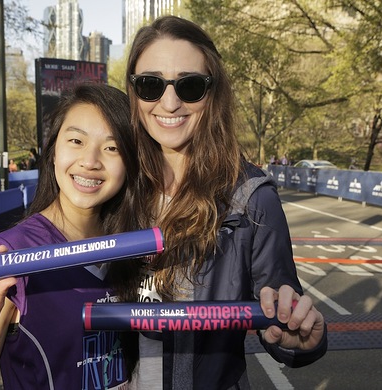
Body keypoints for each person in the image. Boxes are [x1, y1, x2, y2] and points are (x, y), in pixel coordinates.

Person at [122, 16, 328, 389]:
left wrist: (296, 336)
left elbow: (282, 303)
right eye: (150, 85)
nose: (169, 103)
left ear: (213, 93)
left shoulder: (251, 197)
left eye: (190, 86)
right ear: (133, 92)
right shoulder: (116, 184)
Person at [0, 83, 140, 389]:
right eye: (76, 140)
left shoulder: (134, 246)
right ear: (53, 151)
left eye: (112, 147)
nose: (90, 161)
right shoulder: (12, 254)